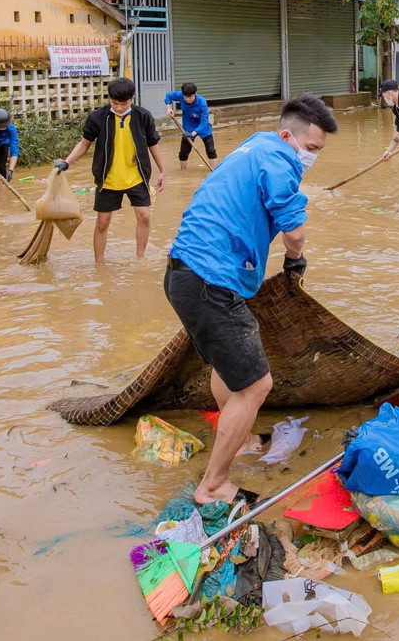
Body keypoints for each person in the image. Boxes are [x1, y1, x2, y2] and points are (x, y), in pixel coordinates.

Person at [165, 94, 339, 505]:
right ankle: (213, 486)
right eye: (311, 149)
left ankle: (238, 442)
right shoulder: (280, 162)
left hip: (183, 275)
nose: (311, 157)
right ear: (288, 136)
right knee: (257, 386)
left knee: (228, 370)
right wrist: (295, 261)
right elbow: (294, 233)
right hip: (211, 283)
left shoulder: (254, 146)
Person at [55, 77, 166, 262]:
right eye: (115, 103)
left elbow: (153, 144)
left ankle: (140, 259)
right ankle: (99, 263)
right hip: (108, 178)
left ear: (132, 98)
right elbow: (84, 144)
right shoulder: (98, 118)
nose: (119, 108)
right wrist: (67, 162)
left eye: (124, 103)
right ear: (109, 98)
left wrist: (162, 170)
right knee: (102, 222)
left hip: (136, 176)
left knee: (145, 216)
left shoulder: (143, 116)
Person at [165, 82, 217, 171]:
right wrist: (169, 108)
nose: (188, 99)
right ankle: (183, 172)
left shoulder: (202, 102)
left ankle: (214, 171)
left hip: (203, 127)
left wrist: (192, 133)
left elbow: (204, 122)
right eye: (186, 97)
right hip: (188, 126)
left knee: (211, 151)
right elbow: (168, 96)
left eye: (190, 97)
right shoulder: (181, 95)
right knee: (183, 153)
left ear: (195, 93)